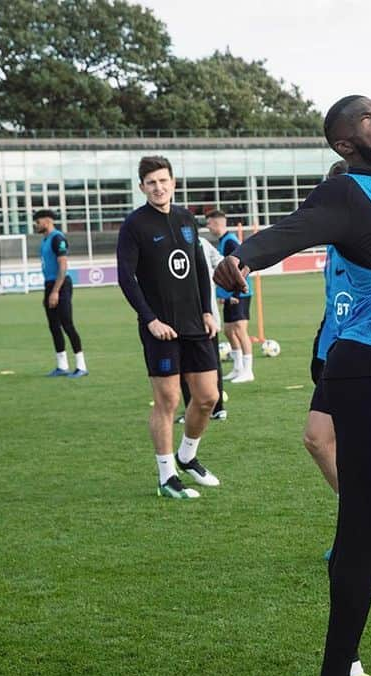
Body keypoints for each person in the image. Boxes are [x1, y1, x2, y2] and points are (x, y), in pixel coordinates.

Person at [213, 95, 371, 676]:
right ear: (345, 145)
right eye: (369, 119)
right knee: (365, 531)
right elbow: (294, 228)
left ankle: (344, 673)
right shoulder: (348, 192)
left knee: (359, 528)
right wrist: (241, 259)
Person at [304, 160, 371, 570]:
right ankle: (365, 525)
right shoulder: (334, 247)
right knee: (319, 439)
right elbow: (335, 303)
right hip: (336, 352)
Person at [116, 155, 221, 499]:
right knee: (168, 400)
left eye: (163, 181)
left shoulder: (186, 218)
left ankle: (187, 456)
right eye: (151, 183)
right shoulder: (135, 225)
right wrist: (150, 320)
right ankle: (166, 477)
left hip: (195, 323)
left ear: (173, 183)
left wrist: (207, 311)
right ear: (142, 187)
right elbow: (126, 278)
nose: (158, 188)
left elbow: (198, 270)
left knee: (208, 397)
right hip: (161, 328)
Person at [177, 227, 228, 423]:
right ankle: (202, 408)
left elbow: (221, 263)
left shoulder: (202, 244)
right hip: (188, 317)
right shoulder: (184, 246)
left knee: (208, 363)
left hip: (204, 317)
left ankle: (216, 408)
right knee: (196, 364)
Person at [34, 210, 87, 377]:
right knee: (54, 326)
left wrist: (56, 291)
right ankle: (62, 366)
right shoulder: (44, 241)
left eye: (38, 221)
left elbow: (63, 265)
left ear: (47, 221)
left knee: (67, 324)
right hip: (49, 284)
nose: (36, 225)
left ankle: (81, 366)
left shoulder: (58, 238)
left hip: (61, 285)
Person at [209, 209, 255, 383]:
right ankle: (237, 368)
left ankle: (248, 371)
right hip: (230, 295)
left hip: (240, 294)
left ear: (218, 223)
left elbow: (242, 266)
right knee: (229, 331)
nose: (208, 226)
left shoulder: (230, 242)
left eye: (209, 222)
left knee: (240, 330)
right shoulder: (223, 241)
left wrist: (235, 293)